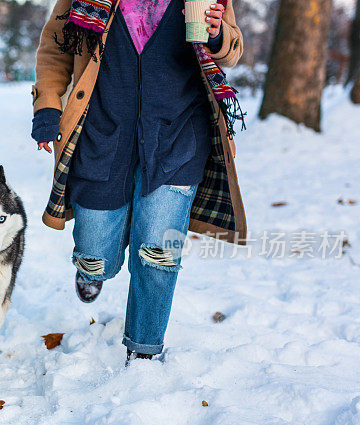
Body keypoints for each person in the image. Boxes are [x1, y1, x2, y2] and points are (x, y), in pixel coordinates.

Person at [32, 0, 247, 364]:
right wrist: (48, 105)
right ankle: (93, 265)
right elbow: (56, 45)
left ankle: (143, 352)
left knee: (158, 252)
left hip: (177, 135)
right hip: (102, 134)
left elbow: (232, 47)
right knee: (95, 248)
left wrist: (216, 33)